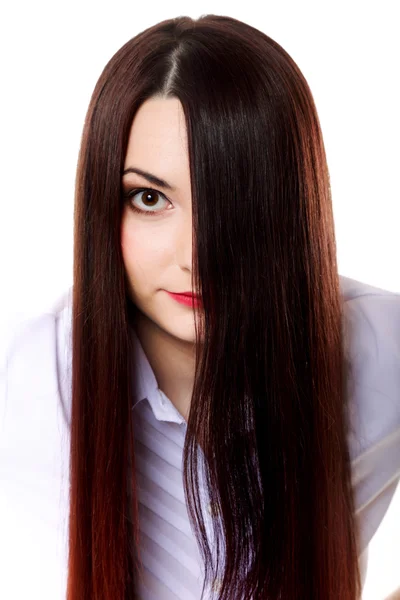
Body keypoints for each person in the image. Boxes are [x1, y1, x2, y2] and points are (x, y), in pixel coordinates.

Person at [1, 13, 400, 600]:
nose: (197, 255)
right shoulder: (26, 379)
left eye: (233, 197)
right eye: (149, 197)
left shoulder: (380, 346)